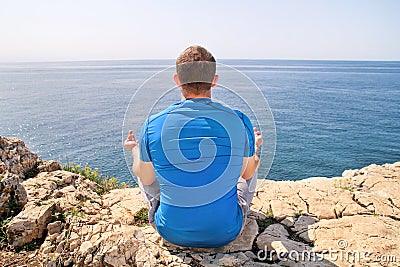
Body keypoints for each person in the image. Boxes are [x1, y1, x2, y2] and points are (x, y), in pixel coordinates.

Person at [124, 45, 262, 248]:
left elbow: (146, 178)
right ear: (214, 81)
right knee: (251, 163)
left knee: (144, 166)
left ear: (177, 80)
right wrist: (254, 147)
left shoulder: (153, 124)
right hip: (226, 232)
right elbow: (248, 172)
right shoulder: (240, 120)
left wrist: (135, 149)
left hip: (171, 232)